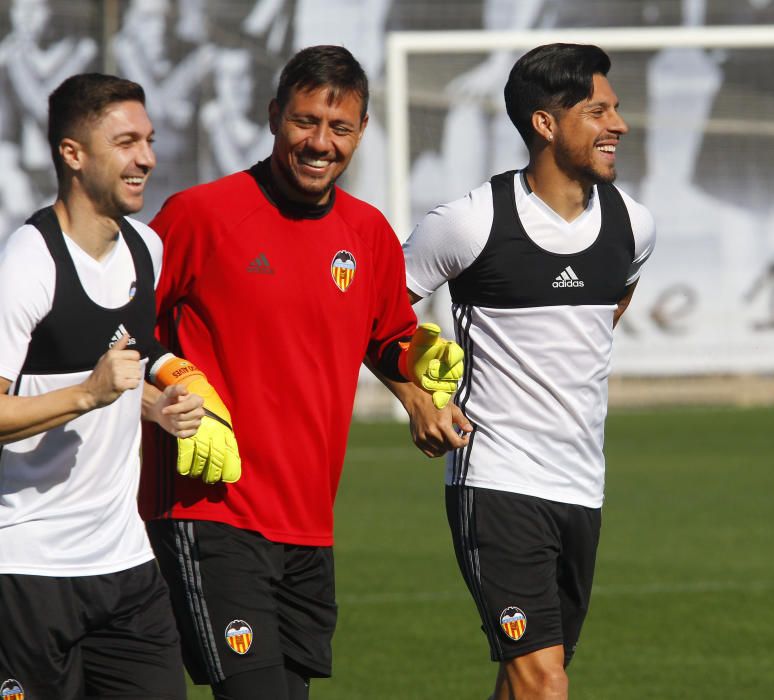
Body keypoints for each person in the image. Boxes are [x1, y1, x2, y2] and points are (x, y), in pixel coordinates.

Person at [138, 44, 465, 700]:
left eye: (339, 128)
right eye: (305, 121)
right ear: (273, 116)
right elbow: (121, 334)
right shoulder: (200, 216)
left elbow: (387, 337)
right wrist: (173, 383)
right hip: (210, 510)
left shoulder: (367, 232)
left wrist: (419, 367)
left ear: (362, 132)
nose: (321, 143)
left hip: (310, 523)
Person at [398, 43, 656, 699]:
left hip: (582, 486)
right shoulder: (469, 223)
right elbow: (374, 311)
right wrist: (418, 396)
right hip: (497, 481)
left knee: (525, 683)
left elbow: (614, 300)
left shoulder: (633, 224)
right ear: (545, 123)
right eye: (599, 111)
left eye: (617, 109)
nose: (619, 126)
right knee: (545, 683)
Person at [0, 72, 237, 699]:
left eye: (150, 140)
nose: (147, 159)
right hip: (28, 568)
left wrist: (158, 407)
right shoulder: (27, 264)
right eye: (126, 141)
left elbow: (128, 361)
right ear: (72, 154)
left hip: (127, 565)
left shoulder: (145, 249)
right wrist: (87, 394)